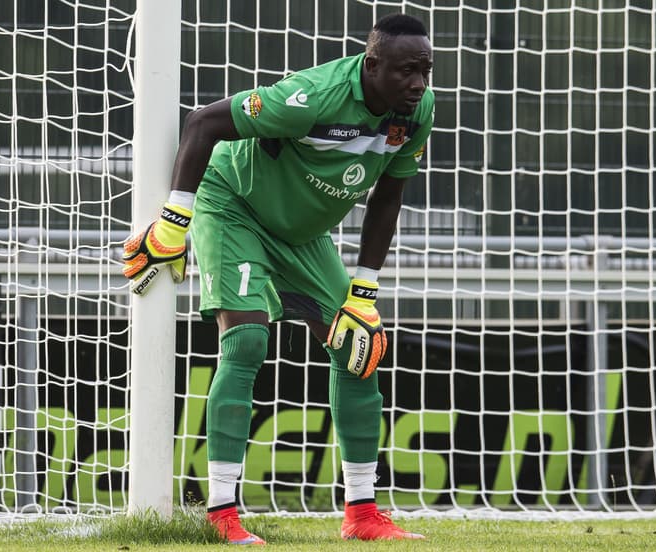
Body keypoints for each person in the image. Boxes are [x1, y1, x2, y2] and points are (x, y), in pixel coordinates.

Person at [122, 13, 434, 545]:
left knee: (361, 345)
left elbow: (389, 197)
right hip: (235, 207)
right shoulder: (310, 97)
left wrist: (365, 290)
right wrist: (176, 219)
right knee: (246, 340)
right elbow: (201, 123)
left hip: (303, 236)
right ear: (372, 63)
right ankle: (221, 514)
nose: (419, 83)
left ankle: (362, 514)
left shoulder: (416, 112)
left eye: (427, 70)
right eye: (408, 71)